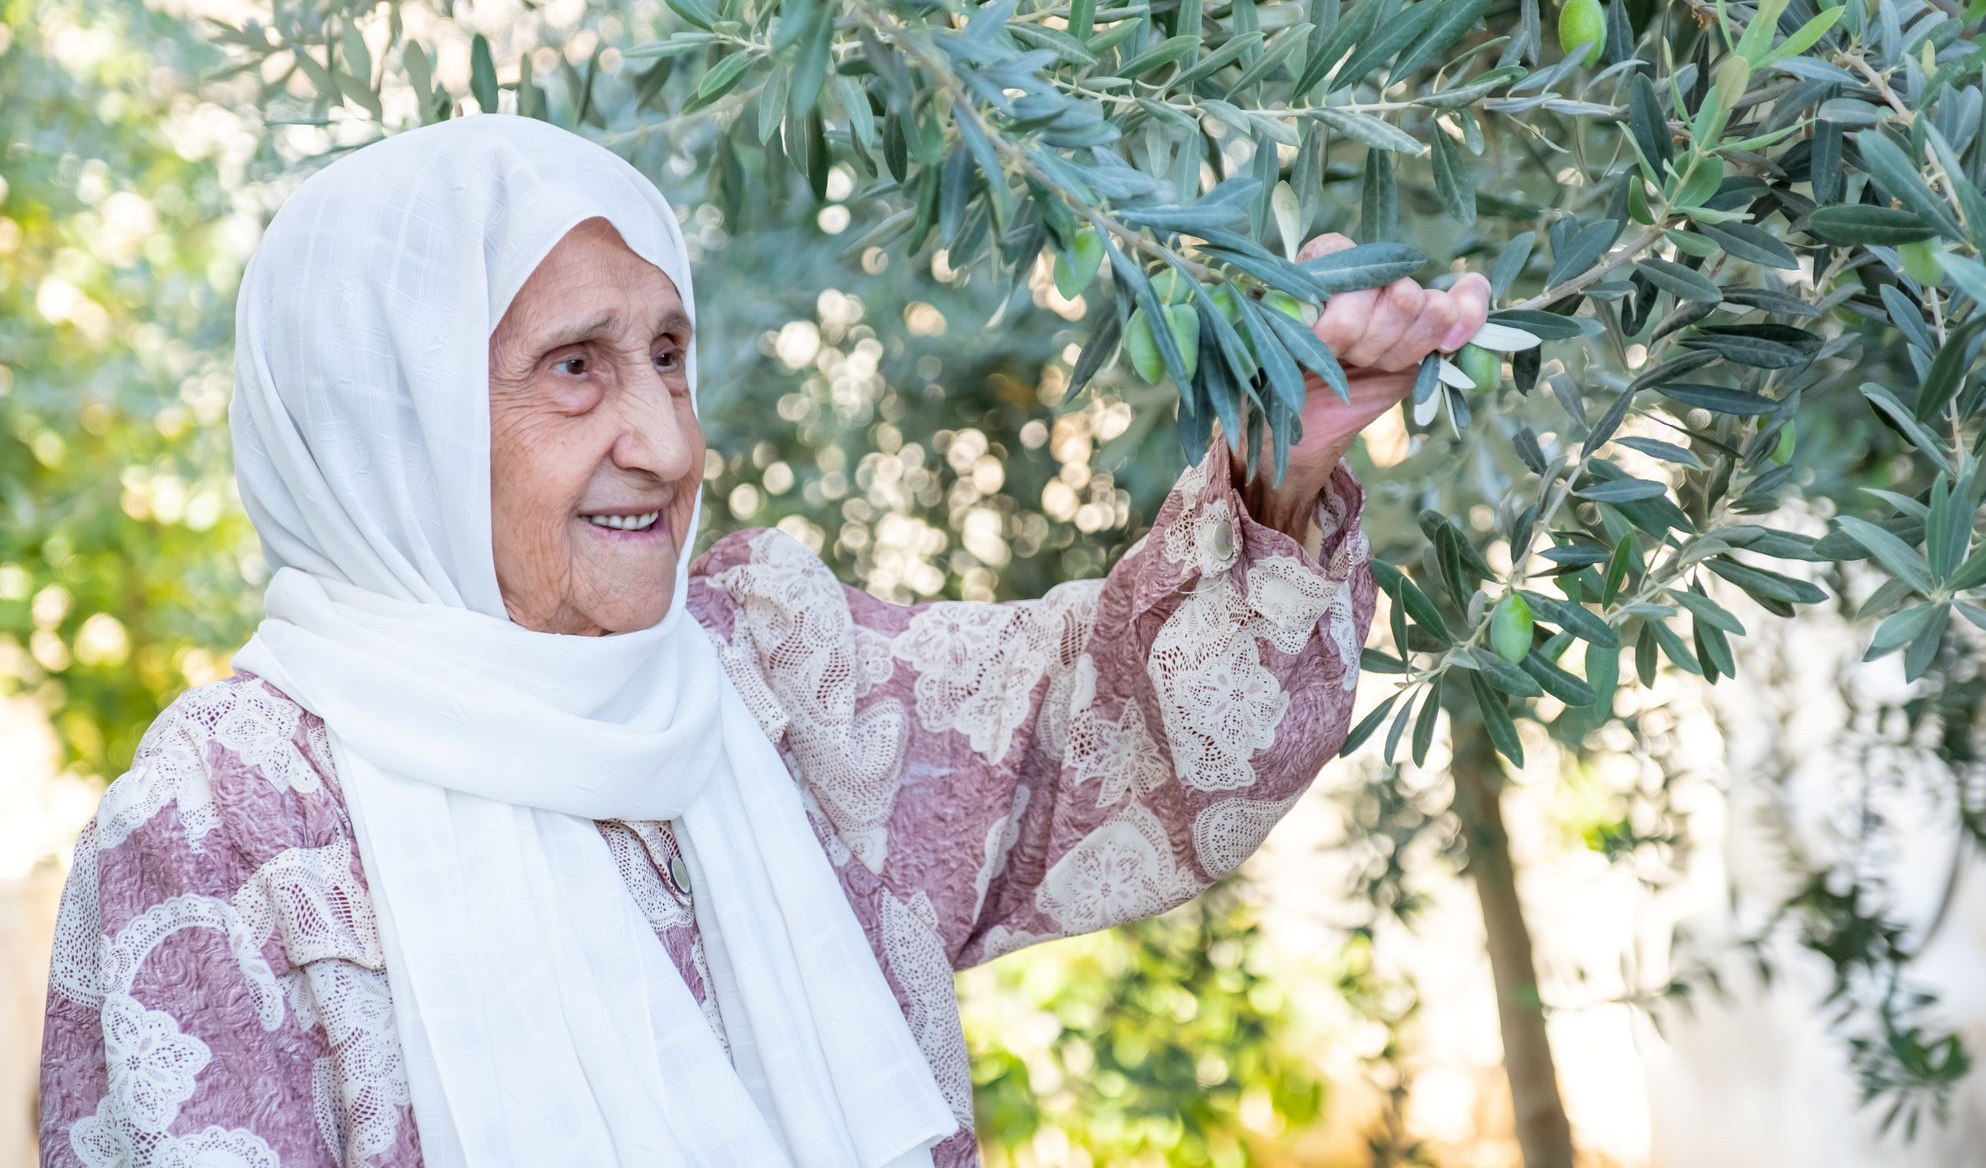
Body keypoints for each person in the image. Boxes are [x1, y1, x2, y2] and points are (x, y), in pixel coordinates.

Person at [37, 112, 1489, 1167]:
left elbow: (1100, 741)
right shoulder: (227, 826)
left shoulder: (762, 677)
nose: (665, 443)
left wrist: (1277, 460)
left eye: (668, 353)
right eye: (573, 368)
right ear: (390, 421)